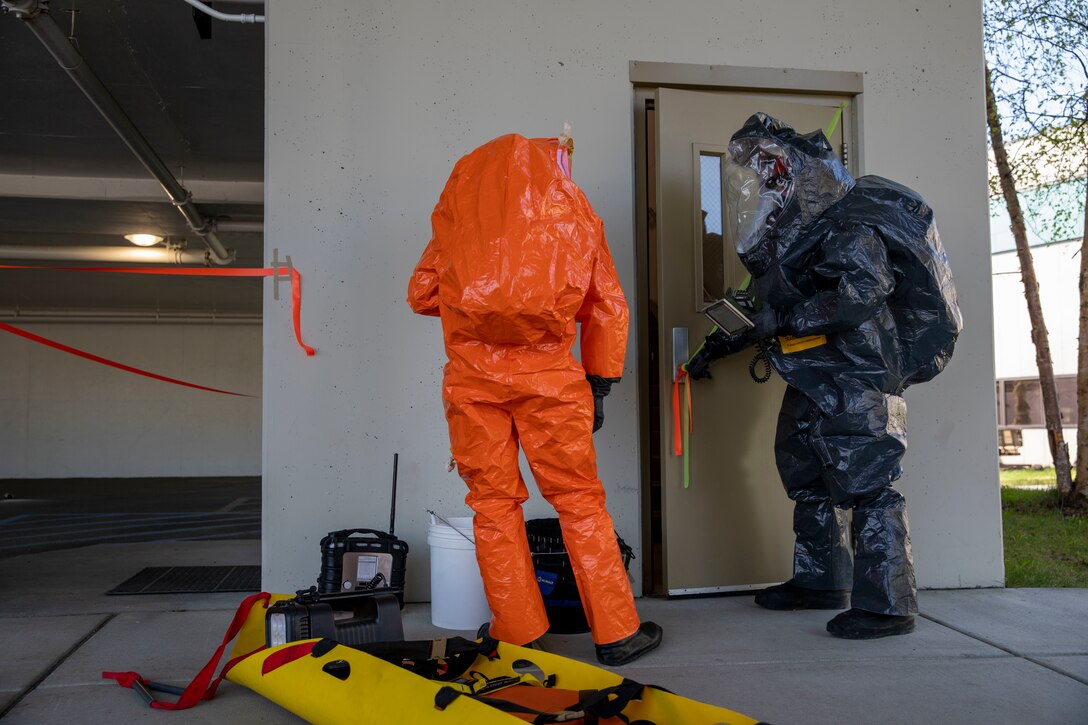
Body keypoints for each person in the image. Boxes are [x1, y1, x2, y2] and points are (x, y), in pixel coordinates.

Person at [686, 113, 962, 639]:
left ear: (800, 171)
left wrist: (781, 321)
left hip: (859, 373)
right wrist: (721, 346)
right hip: (815, 372)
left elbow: (859, 294)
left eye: (771, 167)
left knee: (869, 483)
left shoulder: (850, 222)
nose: (765, 179)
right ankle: (818, 581)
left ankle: (888, 605)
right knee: (804, 470)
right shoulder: (802, 231)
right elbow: (781, 305)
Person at [407, 132, 662, 665]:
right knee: (579, 501)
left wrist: (475, 311)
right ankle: (616, 633)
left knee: (494, 505)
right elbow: (607, 305)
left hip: (473, 382)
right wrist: (601, 381)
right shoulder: (576, 217)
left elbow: (422, 293)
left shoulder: (457, 221)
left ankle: (518, 632)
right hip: (551, 383)